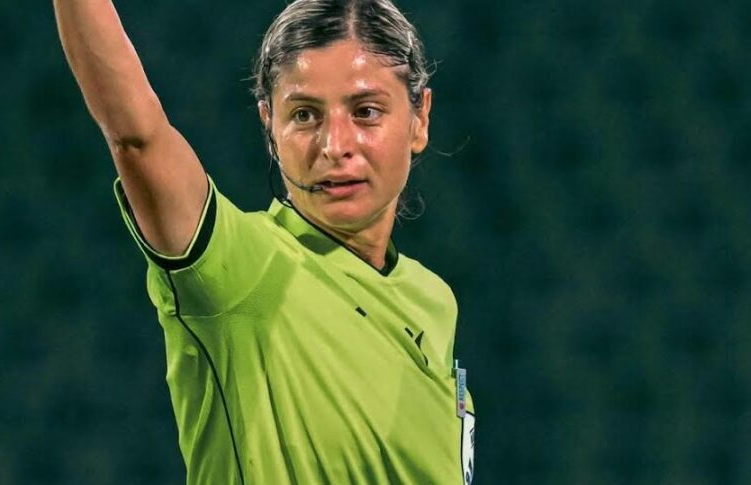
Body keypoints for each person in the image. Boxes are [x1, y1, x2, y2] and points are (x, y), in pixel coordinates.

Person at [53, 0, 475, 483]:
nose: (335, 145)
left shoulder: (433, 300)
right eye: (305, 115)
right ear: (269, 127)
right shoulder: (242, 271)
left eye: (366, 111)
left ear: (419, 118)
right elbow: (137, 136)